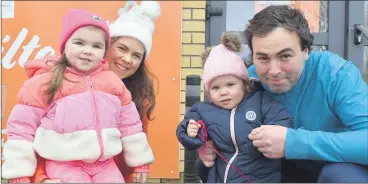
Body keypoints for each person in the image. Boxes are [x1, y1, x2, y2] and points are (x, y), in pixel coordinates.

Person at [196, 5, 368, 183]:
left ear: (306, 51)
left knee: (344, 176)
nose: (274, 71)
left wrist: (293, 142)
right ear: (253, 57)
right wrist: (208, 144)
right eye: (263, 58)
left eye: (285, 56)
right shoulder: (246, 82)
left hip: (331, 165)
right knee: (207, 165)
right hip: (270, 170)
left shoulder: (336, 74)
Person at [1, 8, 155, 183]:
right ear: (65, 46)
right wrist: (22, 173)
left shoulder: (115, 85)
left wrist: (141, 162)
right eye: (79, 43)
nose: (88, 50)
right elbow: (21, 129)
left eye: (96, 46)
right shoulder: (45, 82)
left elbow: (132, 127)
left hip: (105, 166)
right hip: (64, 165)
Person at [176, 32, 293, 183]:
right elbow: (185, 129)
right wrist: (189, 130)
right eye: (215, 88)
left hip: (260, 177)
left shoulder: (261, 101)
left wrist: (270, 133)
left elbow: (283, 119)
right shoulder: (202, 110)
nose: (223, 92)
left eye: (230, 85)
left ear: (244, 84)